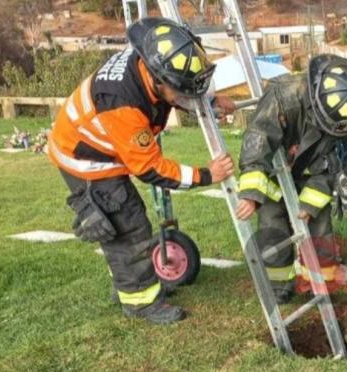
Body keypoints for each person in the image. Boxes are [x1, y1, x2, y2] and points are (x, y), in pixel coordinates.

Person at [48, 17, 236, 324]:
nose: (184, 94)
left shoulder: (152, 59)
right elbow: (150, 168)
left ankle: (132, 284)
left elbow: (176, 91)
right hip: (87, 159)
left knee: (127, 223)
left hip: (101, 144)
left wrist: (211, 102)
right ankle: (140, 302)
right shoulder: (122, 103)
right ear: (157, 79)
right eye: (178, 89)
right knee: (128, 226)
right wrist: (206, 175)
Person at [235, 54, 347, 303]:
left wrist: (310, 204)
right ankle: (279, 284)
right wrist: (251, 194)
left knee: (320, 225)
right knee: (273, 225)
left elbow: (342, 165)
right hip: (274, 172)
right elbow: (258, 139)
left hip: (314, 175)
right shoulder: (284, 96)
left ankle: (320, 282)